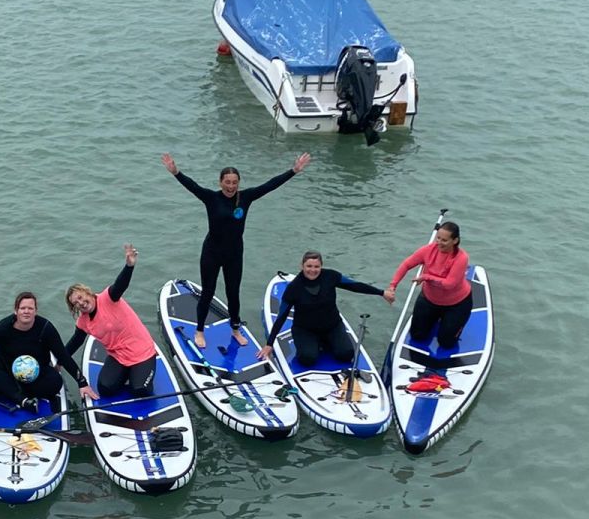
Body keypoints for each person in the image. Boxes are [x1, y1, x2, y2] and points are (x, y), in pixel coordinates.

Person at [161, 151, 312, 348]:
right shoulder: (211, 198)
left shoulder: (246, 197)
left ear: (238, 183)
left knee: (233, 292)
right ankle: (199, 330)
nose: (231, 186)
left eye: (234, 182)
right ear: (220, 182)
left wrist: (294, 170)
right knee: (208, 291)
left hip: (234, 254)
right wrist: (176, 172)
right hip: (212, 252)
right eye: (227, 182)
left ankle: (235, 329)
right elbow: (192, 186)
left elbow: (270, 185)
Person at [0, 291, 96, 412]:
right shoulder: (3, 327)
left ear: (36, 311)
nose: (26, 312)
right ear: (16, 311)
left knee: (56, 381)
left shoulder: (45, 328)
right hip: (7, 369)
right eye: (22, 308)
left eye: (30, 308)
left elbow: (63, 355)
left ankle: (10, 392)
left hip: (37, 373)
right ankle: (22, 399)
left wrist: (82, 383)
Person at [259, 251, 387, 366]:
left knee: (346, 355)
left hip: (332, 326)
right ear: (302, 266)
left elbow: (355, 286)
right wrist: (269, 344)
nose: (312, 270)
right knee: (307, 359)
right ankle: (316, 344)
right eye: (309, 266)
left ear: (321, 266)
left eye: (316, 266)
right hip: (305, 329)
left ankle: (324, 342)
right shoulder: (293, 288)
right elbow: (281, 316)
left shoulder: (330, 276)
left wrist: (382, 293)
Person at [64, 244, 155, 399]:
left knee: (140, 390)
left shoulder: (108, 297)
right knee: (105, 388)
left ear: (87, 292)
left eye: (80, 297)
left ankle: (138, 375)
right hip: (118, 356)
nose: (80, 303)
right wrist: (59, 361)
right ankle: (127, 373)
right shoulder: (83, 321)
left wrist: (129, 266)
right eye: (75, 303)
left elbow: (121, 284)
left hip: (142, 352)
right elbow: (75, 342)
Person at [383, 220, 473, 349]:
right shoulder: (428, 250)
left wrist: (426, 277)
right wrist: (393, 286)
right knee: (417, 336)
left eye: (444, 240)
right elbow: (406, 265)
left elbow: (449, 284)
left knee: (446, 343)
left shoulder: (461, 258)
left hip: (456, 304)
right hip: (430, 299)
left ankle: (449, 323)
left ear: (455, 240)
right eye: (438, 238)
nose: (439, 243)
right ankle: (437, 319)